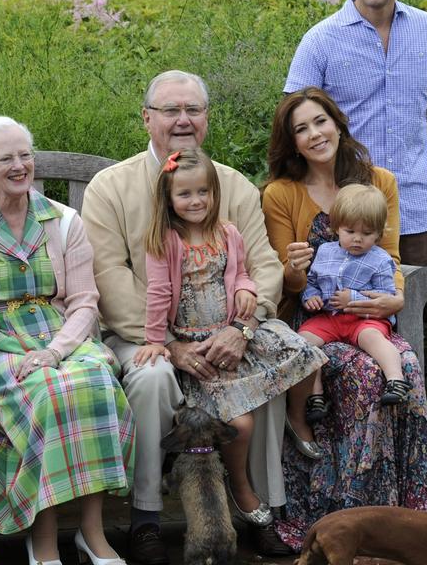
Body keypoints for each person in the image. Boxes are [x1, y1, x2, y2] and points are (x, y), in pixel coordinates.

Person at [81, 70, 292, 562]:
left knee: (267, 377)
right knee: (151, 379)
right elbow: (108, 275)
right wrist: (171, 344)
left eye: (192, 110)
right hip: (144, 335)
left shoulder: (232, 186)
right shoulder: (110, 187)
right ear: (146, 118)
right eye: (170, 110)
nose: (182, 120)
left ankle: (263, 510)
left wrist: (243, 328)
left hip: (225, 332)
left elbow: (263, 265)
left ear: (206, 118)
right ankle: (147, 518)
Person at [0, 116, 133, 565]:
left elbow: (86, 301)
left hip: (60, 334)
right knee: (47, 393)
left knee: (96, 383)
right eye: (5, 157)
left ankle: (92, 532)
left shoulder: (64, 220)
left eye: (25, 154)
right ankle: (43, 537)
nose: (19, 165)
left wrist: (56, 350)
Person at [261, 87, 427, 552]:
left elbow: (393, 261)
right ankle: (341, 514)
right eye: (301, 129)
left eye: (320, 121)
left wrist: (393, 300)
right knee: (361, 374)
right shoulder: (281, 194)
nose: (315, 134)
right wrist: (296, 272)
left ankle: (405, 515)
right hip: (313, 316)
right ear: (292, 143)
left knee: (405, 368)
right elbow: (283, 284)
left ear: (337, 123)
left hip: (369, 315)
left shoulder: (380, 182)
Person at [141, 148, 327, 516]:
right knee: (240, 425)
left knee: (304, 351)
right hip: (201, 346)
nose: (196, 201)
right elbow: (158, 293)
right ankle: (240, 487)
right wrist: (155, 340)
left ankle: (297, 416)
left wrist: (246, 288)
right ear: (168, 198)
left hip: (234, 331)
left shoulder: (227, 232)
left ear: (214, 193)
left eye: (203, 192)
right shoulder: (167, 241)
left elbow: (240, 271)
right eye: (184, 194)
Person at [285, 0, 427, 265]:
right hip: (345, 210)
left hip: (415, 204)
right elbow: (293, 123)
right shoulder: (320, 40)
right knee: (348, 309)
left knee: (413, 307)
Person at [299, 184, 406, 407]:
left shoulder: (380, 259)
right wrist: (311, 297)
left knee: (373, 339)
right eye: (350, 231)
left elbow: (385, 296)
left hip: (366, 320)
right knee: (304, 341)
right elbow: (311, 282)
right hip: (330, 318)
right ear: (336, 227)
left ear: (378, 234)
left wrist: (354, 299)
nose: (357, 239)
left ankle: (396, 380)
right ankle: (315, 394)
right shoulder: (325, 252)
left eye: (366, 234)